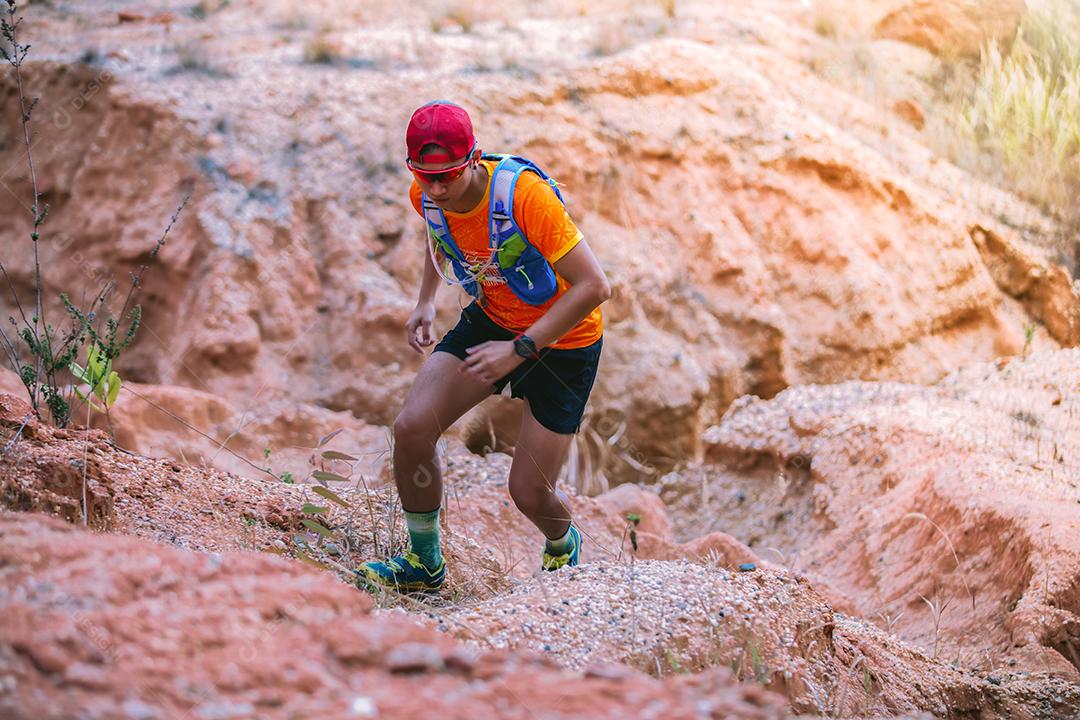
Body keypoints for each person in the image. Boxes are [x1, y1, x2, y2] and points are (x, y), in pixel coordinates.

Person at [356, 100, 610, 593]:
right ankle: (424, 563)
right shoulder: (427, 194)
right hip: (494, 319)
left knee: (529, 492)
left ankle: (563, 543)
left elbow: (595, 286)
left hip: (566, 340)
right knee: (412, 428)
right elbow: (438, 230)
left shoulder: (525, 197)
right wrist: (425, 301)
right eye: (424, 176)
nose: (436, 188)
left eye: (447, 176)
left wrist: (520, 349)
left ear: (473, 159)